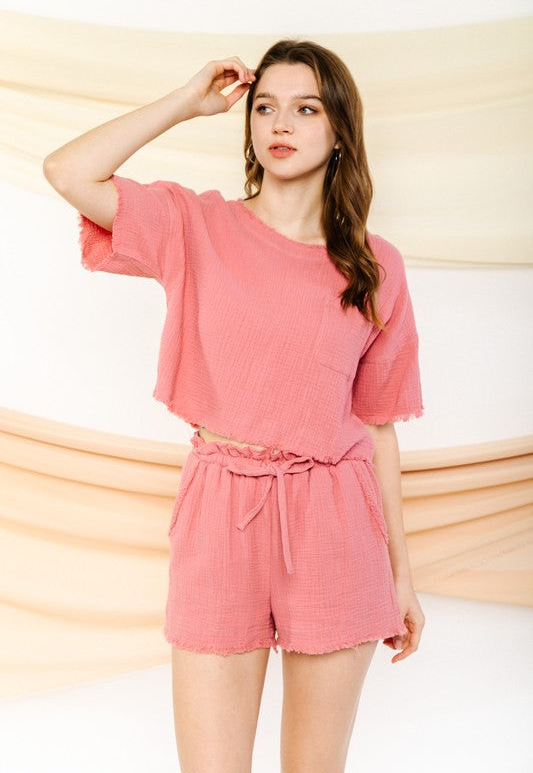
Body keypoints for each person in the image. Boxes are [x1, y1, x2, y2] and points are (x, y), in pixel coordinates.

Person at [43, 39, 426, 773]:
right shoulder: (195, 225)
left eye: (306, 109)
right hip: (221, 509)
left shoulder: (376, 267)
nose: (280, 123)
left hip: (334, 520)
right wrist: (185, 104)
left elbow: (378, 426)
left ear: (340, 130)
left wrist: (401, 575)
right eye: (265, 107)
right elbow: (68, 170)